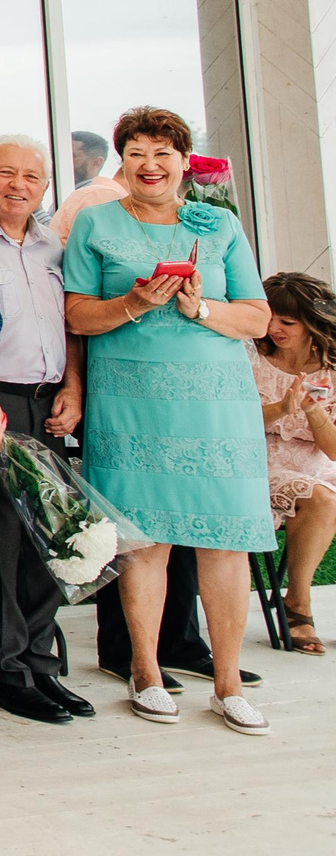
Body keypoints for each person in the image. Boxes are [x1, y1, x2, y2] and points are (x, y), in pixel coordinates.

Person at [64, 106, 275, 734]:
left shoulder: (220, 223)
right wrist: (132, 303)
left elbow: (257, 317)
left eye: (162, 153)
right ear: (122, 162)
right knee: (144, 541)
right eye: (136, 153)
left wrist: (201, 308)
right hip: (131, 404)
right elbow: (76, 315)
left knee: (225, 542)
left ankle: (228, 684)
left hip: (217, 404)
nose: (149, 164)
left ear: (184, 162)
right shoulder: (95, 222)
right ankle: (147, 673)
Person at [0, 137, 96, 724]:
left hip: (49, 403)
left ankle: (41, 662)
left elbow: (68, 326)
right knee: (3, 540)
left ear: (45, 187)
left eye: (32, 177)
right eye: (6, 173)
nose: (18, 186)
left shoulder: (52, 247)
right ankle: (5, 670)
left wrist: (74, 387)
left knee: (53, 537)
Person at [254, 270, 336, 654]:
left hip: (319, 463)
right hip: (259, 462)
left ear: (311, 323)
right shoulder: (249, 357)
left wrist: (313, 410)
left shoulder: (332, 368)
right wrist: (282, 408)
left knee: (323, 492)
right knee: (321, 499)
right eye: (270, 318)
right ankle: (298, 604)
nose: (274, 329)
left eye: (287, 322)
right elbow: (232, 424)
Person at [51, 128, 122, 242]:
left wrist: (37, 211)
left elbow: (53, 240)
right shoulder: (65, 193)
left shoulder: (92, 198)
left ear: (96, 163)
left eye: (72, 156)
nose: (59, 161)